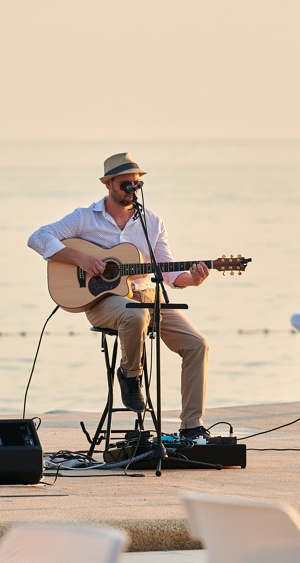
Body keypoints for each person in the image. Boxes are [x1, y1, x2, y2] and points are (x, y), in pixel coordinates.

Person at [27, 152, 211, 440]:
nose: (131, 190)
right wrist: (82, 260)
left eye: (136, 184)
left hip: (147, 295)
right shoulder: (84, 218)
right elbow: (38, 237)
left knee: (197, 344)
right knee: (135, 314)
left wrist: (193, 279)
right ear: (109, 184)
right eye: (125, 184)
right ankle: (130, 374)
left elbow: (168, 272)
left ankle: (191, 426)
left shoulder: (151, 222)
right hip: (102, 301)